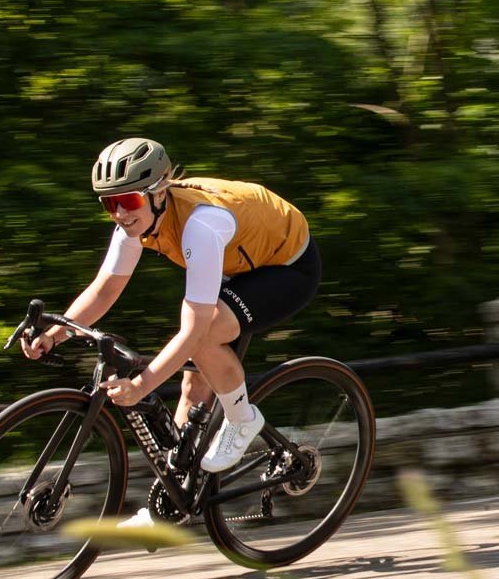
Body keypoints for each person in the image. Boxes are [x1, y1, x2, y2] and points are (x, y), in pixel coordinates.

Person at [22, 137, 321, 524]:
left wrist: (141, 386)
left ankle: (243, 418)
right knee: (193, 389)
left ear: (158, 192)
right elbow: (105, 289)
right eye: (109, 203)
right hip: (239, 262)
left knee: (205, 333)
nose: (119, 214)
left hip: (287, 267)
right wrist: (55, 334)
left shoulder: (200, 225)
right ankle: (170, 501)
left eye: (127, 201)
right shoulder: (135, 225)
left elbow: (195, 329)